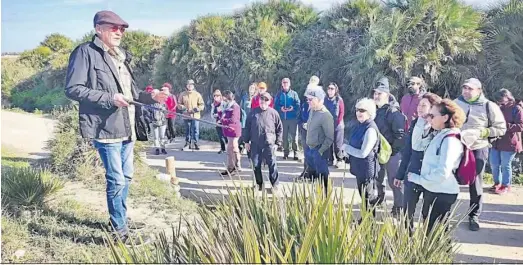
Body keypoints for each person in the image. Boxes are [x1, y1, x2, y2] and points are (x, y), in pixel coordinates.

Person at [64, 10, 168, 244]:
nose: (119, 32)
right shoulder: (85, 53)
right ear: (99, 28)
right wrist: (109, 98)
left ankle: (119, 219)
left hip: (127, 127)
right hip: (106, 128)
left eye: (122, 29)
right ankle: (119, 233)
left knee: (127, 177)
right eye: (114, 28)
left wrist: (153, 97)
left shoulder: (120, 56)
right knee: (117, 179)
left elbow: (132, 94)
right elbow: (73, 89)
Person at [455, 78, 506, 231]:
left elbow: (501, 128)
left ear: (479, 90)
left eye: (470, 89)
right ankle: (443, 213)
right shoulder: (455, 103)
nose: (466, 91)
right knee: (448, 178)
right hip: (456, 146)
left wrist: (484, 132)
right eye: (464, 88)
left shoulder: (489, 106)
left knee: (475, 182)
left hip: (478, 147)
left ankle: (474, 215)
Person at [409, 99, 466, 234]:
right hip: (434, 190)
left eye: (432, 116)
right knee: (430, 231)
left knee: (436, 234)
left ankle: (442, 255)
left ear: (445, 117)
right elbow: (416, 145)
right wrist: (421, 122)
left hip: (442, 193)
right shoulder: (440, 135)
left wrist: (418, 179)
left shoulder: (450, 139)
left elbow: (443, 172)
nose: (430, 118)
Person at [394, 92, 442, 234]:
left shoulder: (439, 128)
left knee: (428, 213)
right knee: (407, 211)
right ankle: (405, 239)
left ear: (433, 108)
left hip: (430, 176)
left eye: (423, 105)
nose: (419, 108)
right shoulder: (415, 123)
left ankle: (427, 242)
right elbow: (408, 151)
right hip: (413, 172)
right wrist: (400, 174)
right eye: (418, 105)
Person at [373, 77, 407, 216]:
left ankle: (399, 206)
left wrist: (392, 152)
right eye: (375, 93)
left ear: (387, 94)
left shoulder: (393, 112)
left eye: (379, 93)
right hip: (377, 152)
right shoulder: (374, 110)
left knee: (395, 181)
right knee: (377, 178)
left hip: (392, 153)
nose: (376, 96)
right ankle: (380, 198)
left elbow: (400, 135)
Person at [342, 98, 380, 216]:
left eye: (362, 110)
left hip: (367, 169)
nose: (359, 113)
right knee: (363, 195)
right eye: (357, 110)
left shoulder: (370, 130)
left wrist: (346, 148)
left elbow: (363, 153)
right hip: (359, 167)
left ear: (370, 113)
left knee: (369, 197)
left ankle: (370, 224)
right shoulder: (360, 125)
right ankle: (365, 220)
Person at [244, 92, 283, 194]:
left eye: (266, 101)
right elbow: (247, 128)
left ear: (269, 102)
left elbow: (279, 129)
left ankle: (275, 184)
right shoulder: (252, 113)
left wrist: (277, 143)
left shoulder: (274, 113)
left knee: (272, 164)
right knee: (256, 164)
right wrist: (246, 142)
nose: (263, 103)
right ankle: (259, 184)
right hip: (255, 143)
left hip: (269, 143)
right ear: (259, 101)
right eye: (262, 101)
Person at [490, 89, 523, 194]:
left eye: (501, 98)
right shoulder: (497, 108)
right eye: (497, 99)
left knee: (505, 164)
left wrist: (505, 126)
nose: (499, 101)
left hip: (510, 142)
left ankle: (506, 185)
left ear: (508, 96)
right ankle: (497, 183)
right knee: (494, 163)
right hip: (496, 141)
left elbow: (520, 126)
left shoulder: (516, 109)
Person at [304, 87, 334, 192]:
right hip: (310, 148)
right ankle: (317, 197)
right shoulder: (312, 110)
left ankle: (325, 198)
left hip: (319, 150)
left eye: (311, 99)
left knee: (322, 175)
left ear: (319, 100)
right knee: (314, 176)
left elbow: (330, 138)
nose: (308, 101)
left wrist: (320, 151)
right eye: (308, 99)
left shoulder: (326, 115)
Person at [297, 76, 321, 180]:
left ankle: (314, 174)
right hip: (304, 130)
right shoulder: (305, 102)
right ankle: (307, 172)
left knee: (313, 152)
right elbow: (301, 114)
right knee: (307, 152)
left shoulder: (319, 103)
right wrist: (301, 123)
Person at [274, 78, 301, 160]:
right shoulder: (279, 94)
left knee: (294, 136)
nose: (285, 84)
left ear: (289, 84)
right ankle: (286, 152)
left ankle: (296, 152)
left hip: (292, 118)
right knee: (284, 137)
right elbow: (276, 105)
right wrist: (281, 108)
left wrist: (293, 108)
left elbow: (298, 104)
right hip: (283, 118)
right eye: (284, 83)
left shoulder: (294, 94)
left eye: (287, 83)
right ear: (282, 84)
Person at [178, 79, 205, 151]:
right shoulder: (182, 94)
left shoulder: (197, 94)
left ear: (193, 86)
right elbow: (179, 104)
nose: (190, 86)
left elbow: (202, 105)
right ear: (186, 86)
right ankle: (187, 143)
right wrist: (183, 108)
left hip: (195, 116)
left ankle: (196, 143)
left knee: (196, 130)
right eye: (188, 84)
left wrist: (197, 109)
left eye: (191, 85)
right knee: (188, 130)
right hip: (186, 115)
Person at [219, 90, 242, 175]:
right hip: (228, 130)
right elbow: (223, 115)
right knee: (232, 148)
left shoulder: (235, 106)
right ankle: (234, 166)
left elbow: (233, 119)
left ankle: (233, 167)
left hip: (234, 130)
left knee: (231, 148)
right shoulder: (226, 105)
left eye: (223, 97)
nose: (222, 98)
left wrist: (223, 120)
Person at [324, 82, 345, 168]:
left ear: (335, 90)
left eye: (332, 88)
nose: (330, 90)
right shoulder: (325, 99)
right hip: (327, 125)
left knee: (337, 144)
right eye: (329, 88)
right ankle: (330, 159)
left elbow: (341, 112)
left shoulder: (339, 100)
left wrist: (336, 123)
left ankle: (339, 159)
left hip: (338, 126)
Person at [239, 83, 257, 156]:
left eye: (253, 88)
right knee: (244, 135)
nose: (251, 89)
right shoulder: (244, 97)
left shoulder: (257, 98)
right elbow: (241, 108)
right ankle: (241, 149)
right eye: (250, 88)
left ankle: (252, 153)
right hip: (245, 119)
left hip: (253, 120)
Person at [149, 90, 168, 155]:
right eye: (151, 93)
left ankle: (163, 148)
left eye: (153, 93)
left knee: (162, 136)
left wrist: (163, 109)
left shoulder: (163, 102)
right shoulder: (150, 102)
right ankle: (157, 149)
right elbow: (146, 111)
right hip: (153, 121)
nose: (152, 94)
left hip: (162, 121)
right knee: (155, 137)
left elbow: (167, 111)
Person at [211, 89, 227, 154]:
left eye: (217, 96)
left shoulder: (224, 103)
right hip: (217, 123)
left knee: (226, 136)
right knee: (220, 136)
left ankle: (229, 148)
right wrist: (214, 116)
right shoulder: (213, 105)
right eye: (215, 96)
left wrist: (220, 117)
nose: (216, 97)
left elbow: (226, 112)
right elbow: (212, 114)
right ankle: (223, 148)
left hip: (224, 122)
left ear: (220, 96)